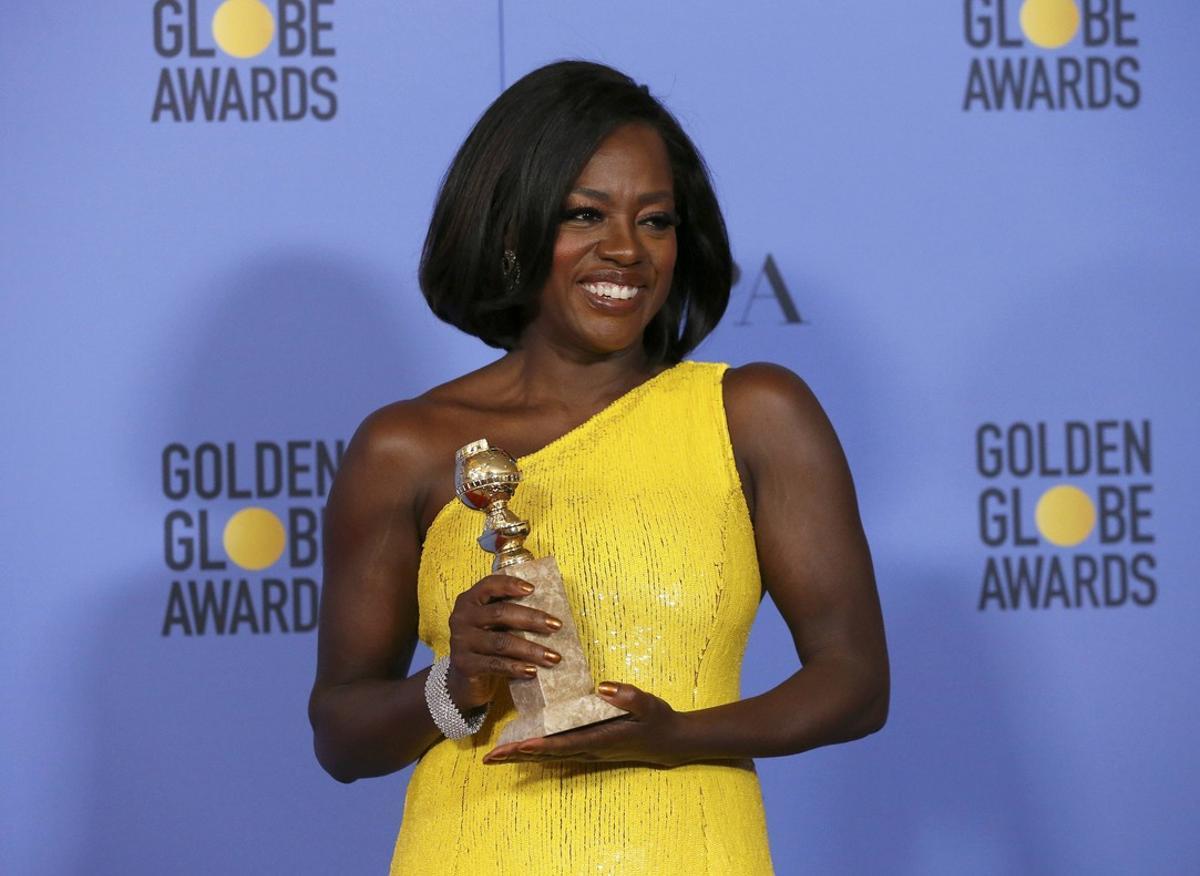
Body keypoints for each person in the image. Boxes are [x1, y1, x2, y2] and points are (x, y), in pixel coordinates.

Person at [308, 60, 889, 874]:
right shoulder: (405, 446)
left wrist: (678, 737)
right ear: (512, 232)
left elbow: (856, 681)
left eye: (656, 221)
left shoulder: (754, 414)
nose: (626, 250)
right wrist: (459, 681)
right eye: (585, 215)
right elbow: (341, 734)